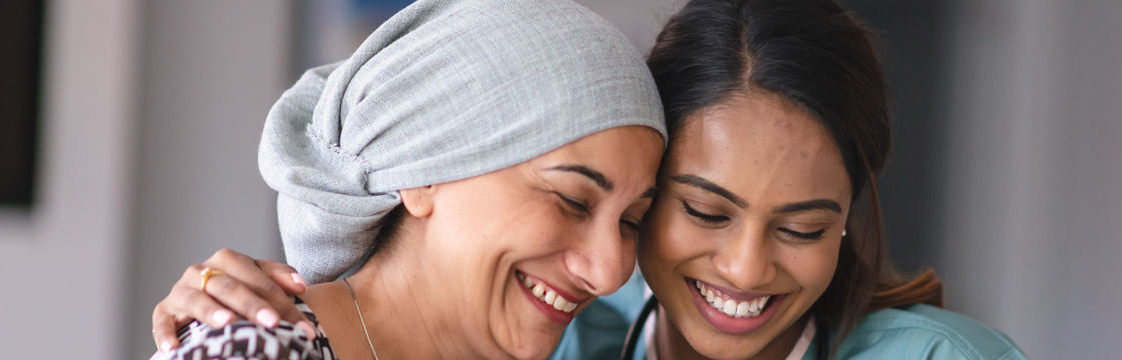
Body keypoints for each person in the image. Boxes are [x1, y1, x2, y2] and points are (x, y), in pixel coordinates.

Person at [153, 0, 1027, 359]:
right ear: (421, 172)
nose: (749, 266)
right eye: (698, 209)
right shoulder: (569, 336)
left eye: (804, 227)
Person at [149, 0, 667, 358]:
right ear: (423, 174)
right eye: (573, 201)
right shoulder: (256, 350)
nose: (609, 272)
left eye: (631, 222)